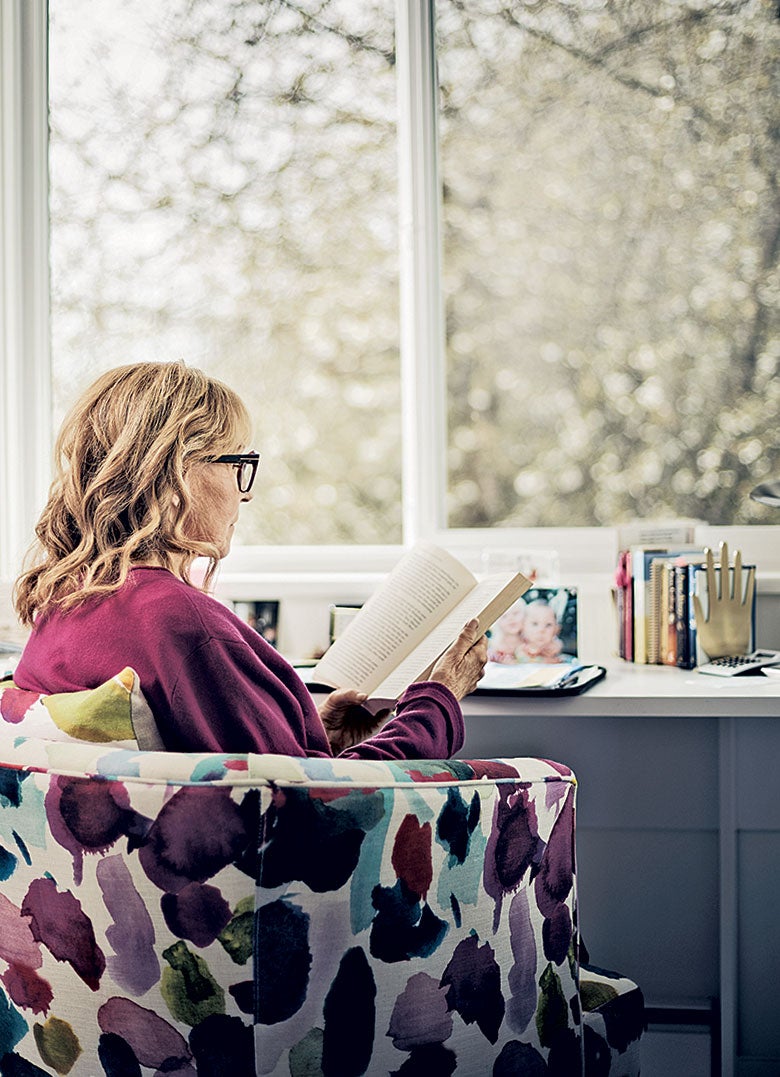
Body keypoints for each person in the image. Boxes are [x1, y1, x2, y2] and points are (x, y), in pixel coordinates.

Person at [12, 361, 487, 760]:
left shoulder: (62, 604)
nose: (248, 491)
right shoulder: (183, 625)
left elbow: (260, 775)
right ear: (178, 474)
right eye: (238, 464)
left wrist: (313, 736)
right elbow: (317, 812)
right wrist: (436, 703)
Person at [515, 599, 563, 663]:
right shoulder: (520, 646)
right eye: (535, 624)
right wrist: (544, 660)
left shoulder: (554, 646)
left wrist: (558, 647)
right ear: (523, 626)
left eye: (548, 625)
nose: (541, 630)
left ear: (556, 630)